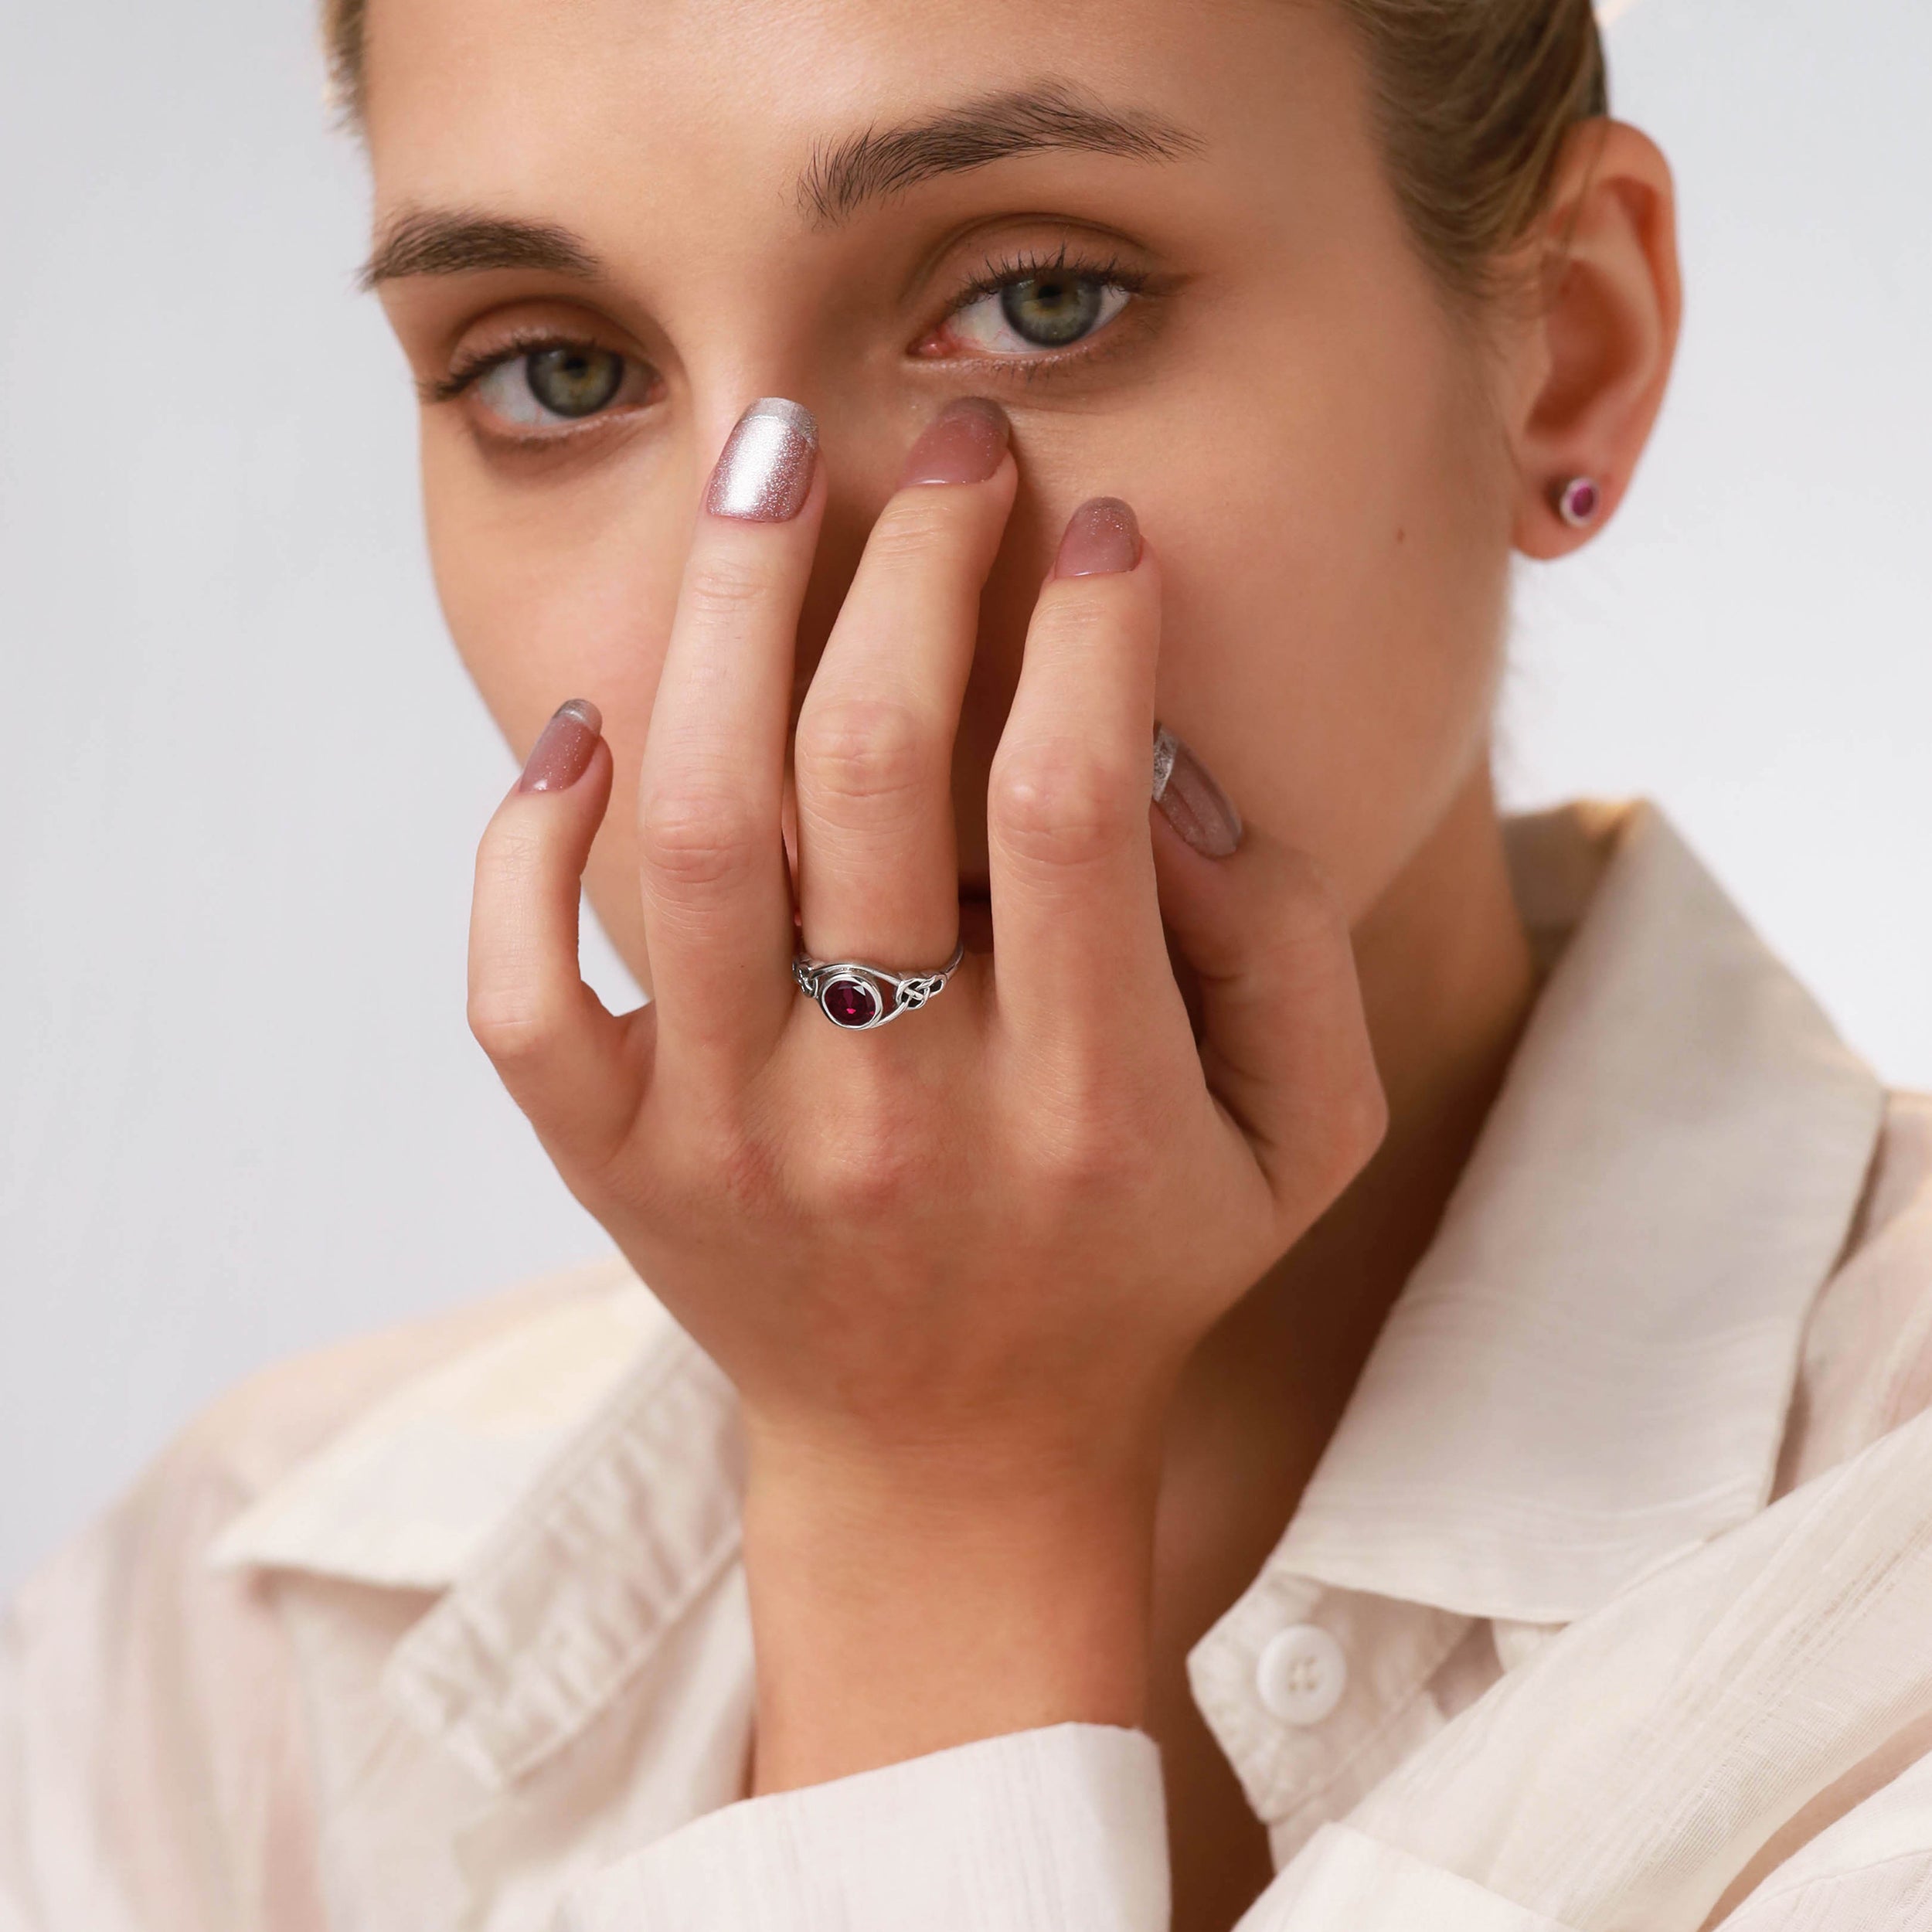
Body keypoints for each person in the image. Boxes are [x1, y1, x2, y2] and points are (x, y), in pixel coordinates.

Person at [6, 0, 1932, 1927]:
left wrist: (929, 1506)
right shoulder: (223, 1656)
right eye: (561, 370)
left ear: (1567, 348)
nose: (761, 627)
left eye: (1035, 305)